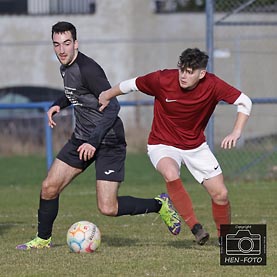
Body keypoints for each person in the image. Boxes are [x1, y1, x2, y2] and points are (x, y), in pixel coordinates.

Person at [16, 21, 181, 250]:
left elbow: (112, 107)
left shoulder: (89, 70)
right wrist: (58, 104)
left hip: (108, 140)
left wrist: (94, 142)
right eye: (57, 44)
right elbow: (76, 93)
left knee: (108, 208)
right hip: (83, 138)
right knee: (49, 187)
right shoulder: (65, 66)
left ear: (76, 43)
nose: (62, 50)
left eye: (66, 43)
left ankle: (159, 204)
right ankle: (43, 240)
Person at [98, 48, 252, 245]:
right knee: (171, 174)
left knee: (220, 194)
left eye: (189, 72)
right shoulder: (162, 79)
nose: (183, 76)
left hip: (195, 146)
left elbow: (244, 102)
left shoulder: (213, 85)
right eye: (182, 70)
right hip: (162, 144)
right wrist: (107, 95)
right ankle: (196, 228)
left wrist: (236, 132)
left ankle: (226, 239)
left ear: (201, 74)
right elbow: (131, 84)